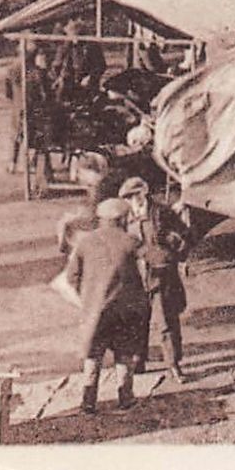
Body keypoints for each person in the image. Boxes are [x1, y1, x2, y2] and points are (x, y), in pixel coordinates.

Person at [66, 198, 151, 414]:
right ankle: (126, 398)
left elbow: (71, 276)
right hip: (124, 310)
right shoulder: (130, 241)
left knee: (93, 356)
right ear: (121, 219)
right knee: (124, 353)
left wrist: (87, 296)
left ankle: (88, 402)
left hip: (96, 311)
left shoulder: (85, 243)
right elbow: (154, 260)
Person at [120, 177, 191, 382]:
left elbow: (185, 235)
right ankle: (139, 360)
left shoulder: (161, 212)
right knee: (138, 321)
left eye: (134, 196)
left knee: (165, 322)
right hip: (137, 277)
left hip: (160, 275)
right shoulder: (126, 218)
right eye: (128, 198)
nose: (132, 202)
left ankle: (173, 365)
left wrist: (176, 253)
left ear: (143, 193)